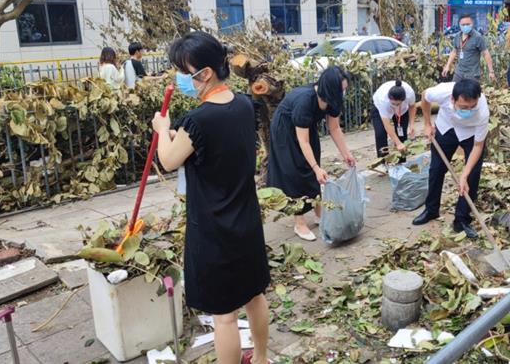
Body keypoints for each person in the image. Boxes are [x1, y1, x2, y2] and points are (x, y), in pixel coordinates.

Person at [150, 31, 270, 364]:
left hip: (214, 228)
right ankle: (261, 358)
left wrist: (163, 131)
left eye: (184, 71)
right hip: (246, 218)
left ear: (204, 74)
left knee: (225, 316)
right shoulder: (245, 104)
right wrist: (176, 137)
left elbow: (169, 160)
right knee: (255, 295)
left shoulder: (198, 120)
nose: (181, 78)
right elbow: (216, 148)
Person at [267, 66, 356, 241]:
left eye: (344, 89)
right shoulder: (305, 100)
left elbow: (334, 127)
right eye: (341, 90)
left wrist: (347, 153)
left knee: (314, 169)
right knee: (297, 171)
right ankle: (299, 223)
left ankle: (319, 212)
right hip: (285, 132)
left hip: (305, 129)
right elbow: (303, 141)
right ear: (330, 89)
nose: (343, 93)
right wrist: (315, 167)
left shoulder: (334, 100)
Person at [412, 79, 489, 239]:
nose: (468, 110)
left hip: (471, 134)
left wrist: (464, 175)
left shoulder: (482, 112)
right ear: (452, 100)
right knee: (436, 169)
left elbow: (478, 146)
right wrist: (427, 124)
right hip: (446, 127)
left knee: (472, 175)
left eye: (472, 107)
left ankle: (461, 219)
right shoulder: (443, 92)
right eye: (463, 107)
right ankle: (431, 210)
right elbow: (425, 96)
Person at [442, 14, 496, 83]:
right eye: (463, 24)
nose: (465, 26)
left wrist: (491, 71)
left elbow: (486, 53)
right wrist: (447, 66)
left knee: (470, 93)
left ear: (472, 24)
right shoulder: (457, 36)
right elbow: (454, 52)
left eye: (468, 24)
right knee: (455, 92)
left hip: (472, 74)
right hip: (458, 73)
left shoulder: (477, 37)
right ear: (459, 25)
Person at [371, 79, 417, 158]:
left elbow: (412, 106)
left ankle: (401, 161)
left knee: (401, 135)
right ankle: (383, 161)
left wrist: (412, 124)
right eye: (393, 103)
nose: (395, 105)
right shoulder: (383, 100)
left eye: (397, 103)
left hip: (402, 111)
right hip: (379, 109)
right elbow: (387, 124)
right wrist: (398, 143)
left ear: (403, 100)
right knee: (380, 134)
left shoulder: (409, 93)